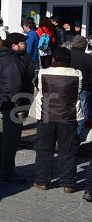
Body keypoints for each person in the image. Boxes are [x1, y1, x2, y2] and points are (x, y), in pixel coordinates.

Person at [30, 46, 82, 192]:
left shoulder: (43, 72)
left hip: (46, 115)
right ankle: (68, 183)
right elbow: (78, 92)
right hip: (69, 116)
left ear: (54, 58)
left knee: (44, 149)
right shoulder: (77, 74)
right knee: (68, 150)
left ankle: (42, 181)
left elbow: (40, 89)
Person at [0, 33, 32, 183]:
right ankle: (6, 171)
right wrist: (19, 103)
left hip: (0, 102)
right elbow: (14, 87)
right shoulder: (11, 61)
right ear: (14, 45)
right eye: (23, 43)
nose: (25, 46)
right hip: (12, 105)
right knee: (10, 139)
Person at [69, 35, 92, 139]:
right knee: (82, 114)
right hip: (84, 88)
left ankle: (67, 137)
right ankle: (76, 137)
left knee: (67, 112)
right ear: (84, 46)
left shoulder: (66, 56)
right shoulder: (89, 58)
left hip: (66, 88)